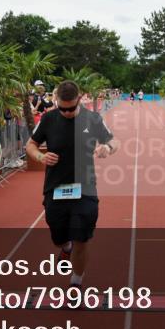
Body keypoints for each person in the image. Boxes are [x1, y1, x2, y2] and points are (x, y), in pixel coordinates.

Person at [25, 80, 119, 290]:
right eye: (62, 109)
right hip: (55, 187)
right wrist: (40, 156)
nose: (67, 113)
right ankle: (65, 247)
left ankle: (76, 282)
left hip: (85, 188)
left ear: (79, 99)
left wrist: (107, 148)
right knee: (58, 237)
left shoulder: (93, 119)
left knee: (81, 239)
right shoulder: (48, 119)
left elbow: (114, 141)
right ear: (56, 100)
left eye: (71, 108)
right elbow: (30, 144)